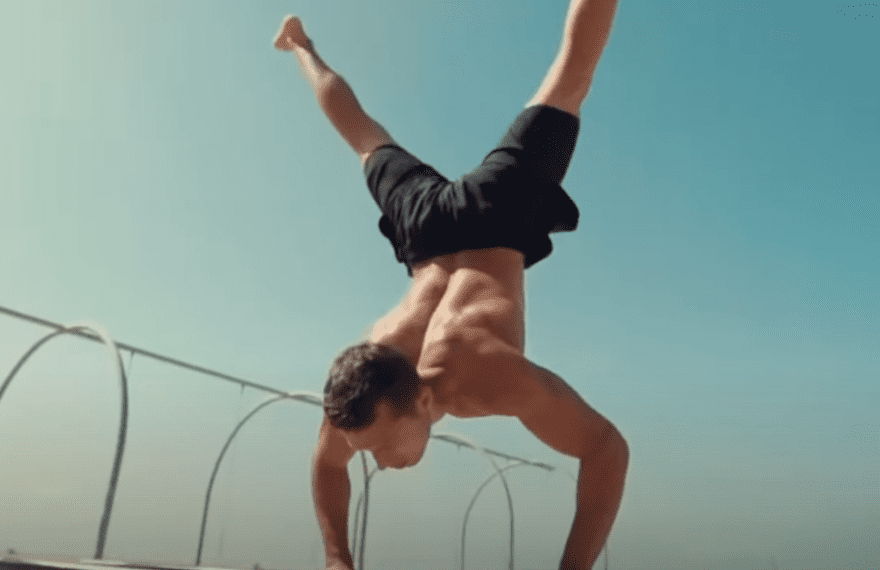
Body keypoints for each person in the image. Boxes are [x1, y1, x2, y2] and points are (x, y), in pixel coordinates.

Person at [274, 1, 626, 568]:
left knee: (572, 73)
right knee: (365, 140)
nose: (381, 465)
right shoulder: (369, 383)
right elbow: (329, 461)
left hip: (501, 214)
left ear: (422, 399)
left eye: (385, 447)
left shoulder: (486, 377)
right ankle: (299, 45)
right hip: (427, 229)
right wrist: (337, 559)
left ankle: (299, 46)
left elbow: (607, 449)